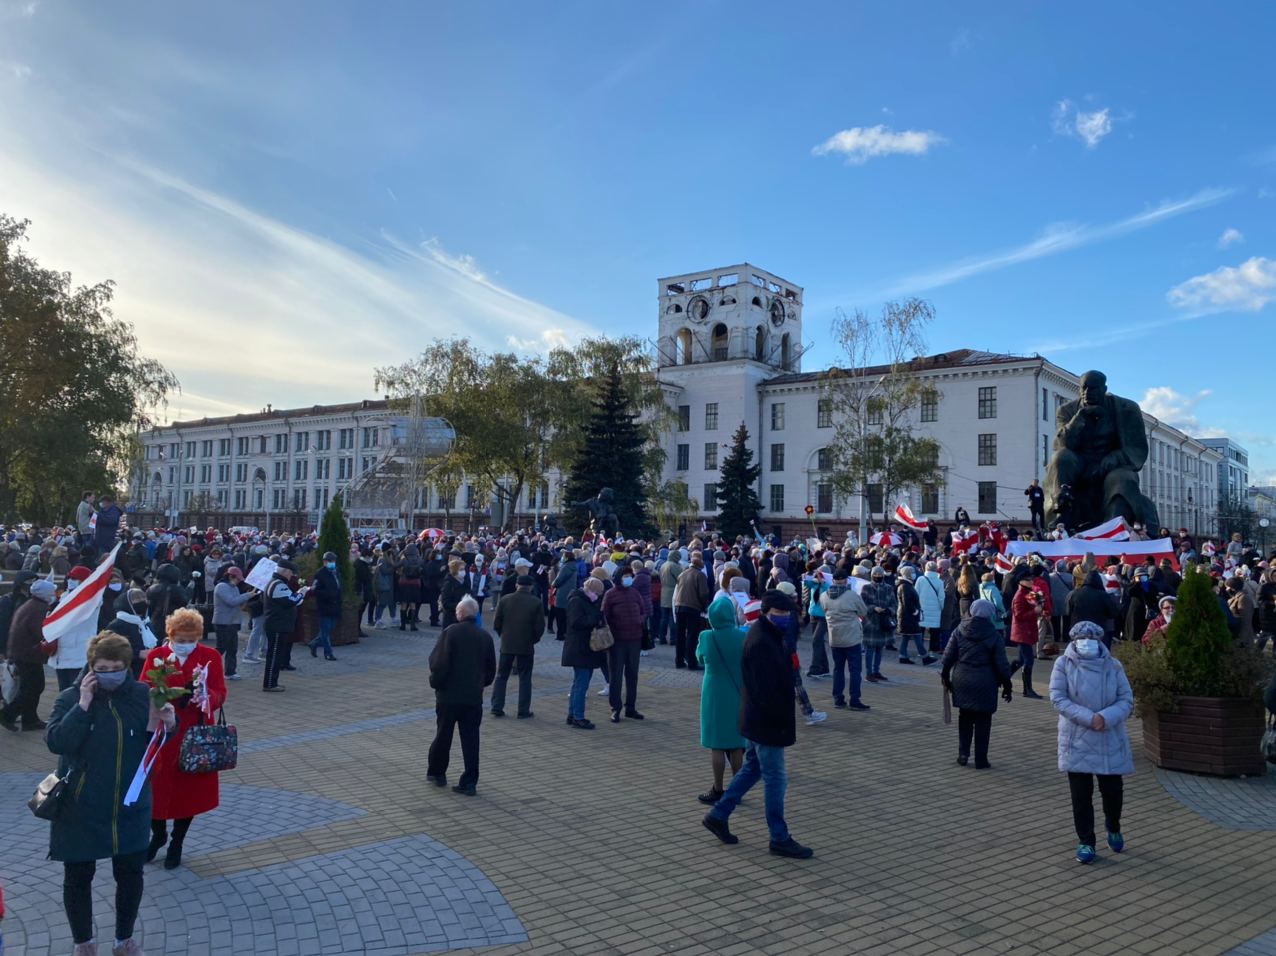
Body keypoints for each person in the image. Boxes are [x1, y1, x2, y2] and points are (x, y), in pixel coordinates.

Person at [47, 632, 177, 956]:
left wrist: (168, 726)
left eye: (117, 667)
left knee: (130, 875)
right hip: (80, 805)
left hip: (129, 805)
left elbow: (152, 745)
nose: (110, 674)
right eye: (102, 668)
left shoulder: (143, 695)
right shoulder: (69, 697)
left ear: (128, 665)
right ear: (91, 668)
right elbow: (57, 742)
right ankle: (84, 943)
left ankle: (124, 940)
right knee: (78, 876)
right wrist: (83, 706)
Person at [701, 589, 813, 859]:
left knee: (752, 768)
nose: (785, 618)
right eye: (779, 614)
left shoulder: (767, 635)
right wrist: (777, 720)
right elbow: (765, 689)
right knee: (776, 778)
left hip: (758, 718)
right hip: (767, 720)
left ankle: (719, 813)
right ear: (765, 612)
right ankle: (779, 836)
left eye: (788, 614)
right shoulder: (762, 641)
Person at [140, 607, 227, 870]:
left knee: (187, 792)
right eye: (181, 640)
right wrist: (158, 693)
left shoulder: (209, 656)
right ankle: (158, 834)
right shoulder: (158, 656)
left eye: (192, 640)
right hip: (162, 732)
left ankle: (177, 841)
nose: (186, 645)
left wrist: (205, 697)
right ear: (171, 635)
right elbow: (143, 686)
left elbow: (220, 691)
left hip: (194, 733)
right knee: (154, 787)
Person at [1050, 620, 1135, 864]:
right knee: (1080, 795)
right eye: (1081, 638)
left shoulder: (1113, 665)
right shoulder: (1063, 664)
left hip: (1108, 736)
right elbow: (1057, 697)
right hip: (1077, 738)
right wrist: (1089, 718)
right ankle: (1086, 840)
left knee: (1112, 791)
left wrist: (1105, 718)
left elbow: (1126, 699)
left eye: (1091, 638)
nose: (1086, 642)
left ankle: (1114, 825)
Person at [426, 595, 496, 796]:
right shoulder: (485, 637)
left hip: (449, 695)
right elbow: (491, 669)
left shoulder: (450, 633)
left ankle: (438, 773)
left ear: (460, 613)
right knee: (471, 739)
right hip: (473, 696)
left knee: (443, 734)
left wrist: (436, 683)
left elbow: (438, 663)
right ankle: (470, 781)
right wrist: (480, 684)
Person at [942, 599, 1013, 769]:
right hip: (985, 681)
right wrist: (1007, 685)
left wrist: (946, 677)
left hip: (962, 678)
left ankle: (963, 754)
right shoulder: (994, 635)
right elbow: (1001, 664)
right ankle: (981, 759)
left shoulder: (959, 629)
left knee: (965, 717)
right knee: (983, 720)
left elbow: (948, 657)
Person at [696, 595, 747, 805]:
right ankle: (737, 789)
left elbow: (699, 658)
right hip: (738, 691)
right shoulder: (742, 636)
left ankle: (717, 788)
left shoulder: (706, 637)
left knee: (716, 744)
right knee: (736, 743)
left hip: (714, 692)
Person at [0, 577, 56, 731]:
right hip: (28, 654)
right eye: (52, 592)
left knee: (32, 686)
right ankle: (8, 714)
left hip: (23, 653)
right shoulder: (39, 609)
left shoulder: (31, 605)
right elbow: (40, 632)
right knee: (33, 686)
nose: (54, 594)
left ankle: (29, 719)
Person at [490, 575, 545, 719]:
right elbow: (539, 627)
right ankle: (523, 710)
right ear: (531, 587)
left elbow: (496, 623)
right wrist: (533, 639)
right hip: (526, 645)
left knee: (501, 676)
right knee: (525, 678)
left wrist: (503, 635)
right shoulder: (536, 602)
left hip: (507, 643)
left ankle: (496, 707)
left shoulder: (505, 600)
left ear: (516, 585)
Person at [602, 566, 647, 722]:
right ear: (619, 577)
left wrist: (640, 620)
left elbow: (643, 610)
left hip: (635, 639)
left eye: (630, 575)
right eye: (625, 576)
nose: (628, 578)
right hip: (617, 641)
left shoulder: (635, 593)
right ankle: (615, 708)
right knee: (616, 675)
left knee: (632, 674)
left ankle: (631, 708)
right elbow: (604, 615)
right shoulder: (610, 595)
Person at [821, 567, 869, 711]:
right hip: (852, 637)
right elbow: (863, 611)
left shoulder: (824, 596)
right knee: (855, 670)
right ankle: (854, 699)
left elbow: (824, 610)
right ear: (845, 580)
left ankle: (838, 699)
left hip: (834, 637)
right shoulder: (852, 595)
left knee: (838, 669)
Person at [562, 577, 606, 728]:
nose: (599, 596)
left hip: (584, 648)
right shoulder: (577, 601)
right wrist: (595, 618)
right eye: (598, 593)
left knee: (579, 683)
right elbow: (576, 622)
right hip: (580, 648)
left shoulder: (585, 600)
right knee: (581, 684)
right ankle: (578, 717)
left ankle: (572, 714)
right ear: (591, 590)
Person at [262, 560, 306, 692]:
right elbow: (291, 601)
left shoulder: (275, 583)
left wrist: (297, 596)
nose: (291, 576)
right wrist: (302, 592)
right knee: (274, 655)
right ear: (286, 571)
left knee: (275, 654)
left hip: (276, 624)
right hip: (277, 625)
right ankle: (270, 683)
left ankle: (272, 682)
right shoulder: (278, 585)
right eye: (291, 573)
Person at [104, 588, 160, 679]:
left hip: (149, 670)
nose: (142, 601)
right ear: (127, 604)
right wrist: (137, 653)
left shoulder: (146, 622)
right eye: (136, 599)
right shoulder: (117, 625)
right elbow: (110, 650)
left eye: (144, 598)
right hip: (129, 673)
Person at [212, 567, 256, 680]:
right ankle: (207, 668)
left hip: (233, 621)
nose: (239, 581)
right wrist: (247, 595)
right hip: (223, 622)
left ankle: (230, 671)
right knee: (221, 648)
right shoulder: (221, 587)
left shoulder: (234, 587)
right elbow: (231, 601)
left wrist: (246, 598)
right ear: (231, 576)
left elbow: (237, 602)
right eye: (237, 578)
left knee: (232, 648)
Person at [673, 553, 712, 669]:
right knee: (692, 635)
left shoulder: (682, 574)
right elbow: (704, 593)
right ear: (700, 566)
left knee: (680, 635)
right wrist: (705, 606)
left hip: (679, 606)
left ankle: (679, 661)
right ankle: (691, 662)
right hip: (692, 607)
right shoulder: (700, 575)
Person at [1010, 579, 1045, 699]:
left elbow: (1036, 605)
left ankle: (1002, 678)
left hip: (1027, 630)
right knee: (1028, 660)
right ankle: (1027, 689)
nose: (1031, 581)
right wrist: (1034, 611)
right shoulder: (1019, 596)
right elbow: (1018, 615)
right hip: (1022, 631)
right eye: (1028, 580)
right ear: (1021, 581)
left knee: (1021, 660)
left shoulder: (1028, 593)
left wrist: (1039, 603)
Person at [896, 567, 936, 666]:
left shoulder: (906, 585)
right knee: (917, 635)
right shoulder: (905, 586)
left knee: (906, 637)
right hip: (908, 616)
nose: (914, 574)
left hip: (906, 616)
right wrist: (915, 611)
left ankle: (903, 656)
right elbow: (907, 602)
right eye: (912, 572)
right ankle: (925, 656)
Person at [308, 551, 342, 661]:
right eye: (330, 561)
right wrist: (328, 594)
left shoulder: (336, 572)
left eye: (334, 561)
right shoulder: (320, 574)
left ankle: (314, 643)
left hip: (335, 605)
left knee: (329, 628)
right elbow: (315, 590)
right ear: (325, 562)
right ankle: (328, 653)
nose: (333, 563)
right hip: (325, 605)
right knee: (325, 630)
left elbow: (339, 586)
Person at [861, 567, 893, 682]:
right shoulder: (866, 588)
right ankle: (869, 673)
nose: (878, 575)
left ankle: (876, 671)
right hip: (870, 622)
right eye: (876, 573)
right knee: (869, 649)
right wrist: (873, 608)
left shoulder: (889, 588)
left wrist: (888, 610)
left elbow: (894, 604)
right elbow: (862, 604)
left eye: (880, 573)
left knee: (880, 648)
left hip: (884, 622)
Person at [439, 558, 469, 629]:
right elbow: (446, 603)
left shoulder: (465, 582)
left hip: (463, 618)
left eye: (464, 569)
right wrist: (461, 605)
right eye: (461, 569)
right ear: (455, 571)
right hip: (451, 619)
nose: (463, 571)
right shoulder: (448, 584)